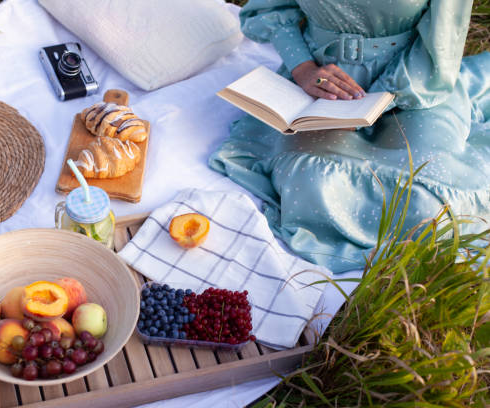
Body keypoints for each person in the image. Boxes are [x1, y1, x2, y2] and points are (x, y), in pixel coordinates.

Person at [209, 0, 490, 273]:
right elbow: (272, 8)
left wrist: (372, 103)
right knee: (308, 180)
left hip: (416, 85)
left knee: (432, 203)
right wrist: (303, 69)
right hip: (319, 88)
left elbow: (442, 39)